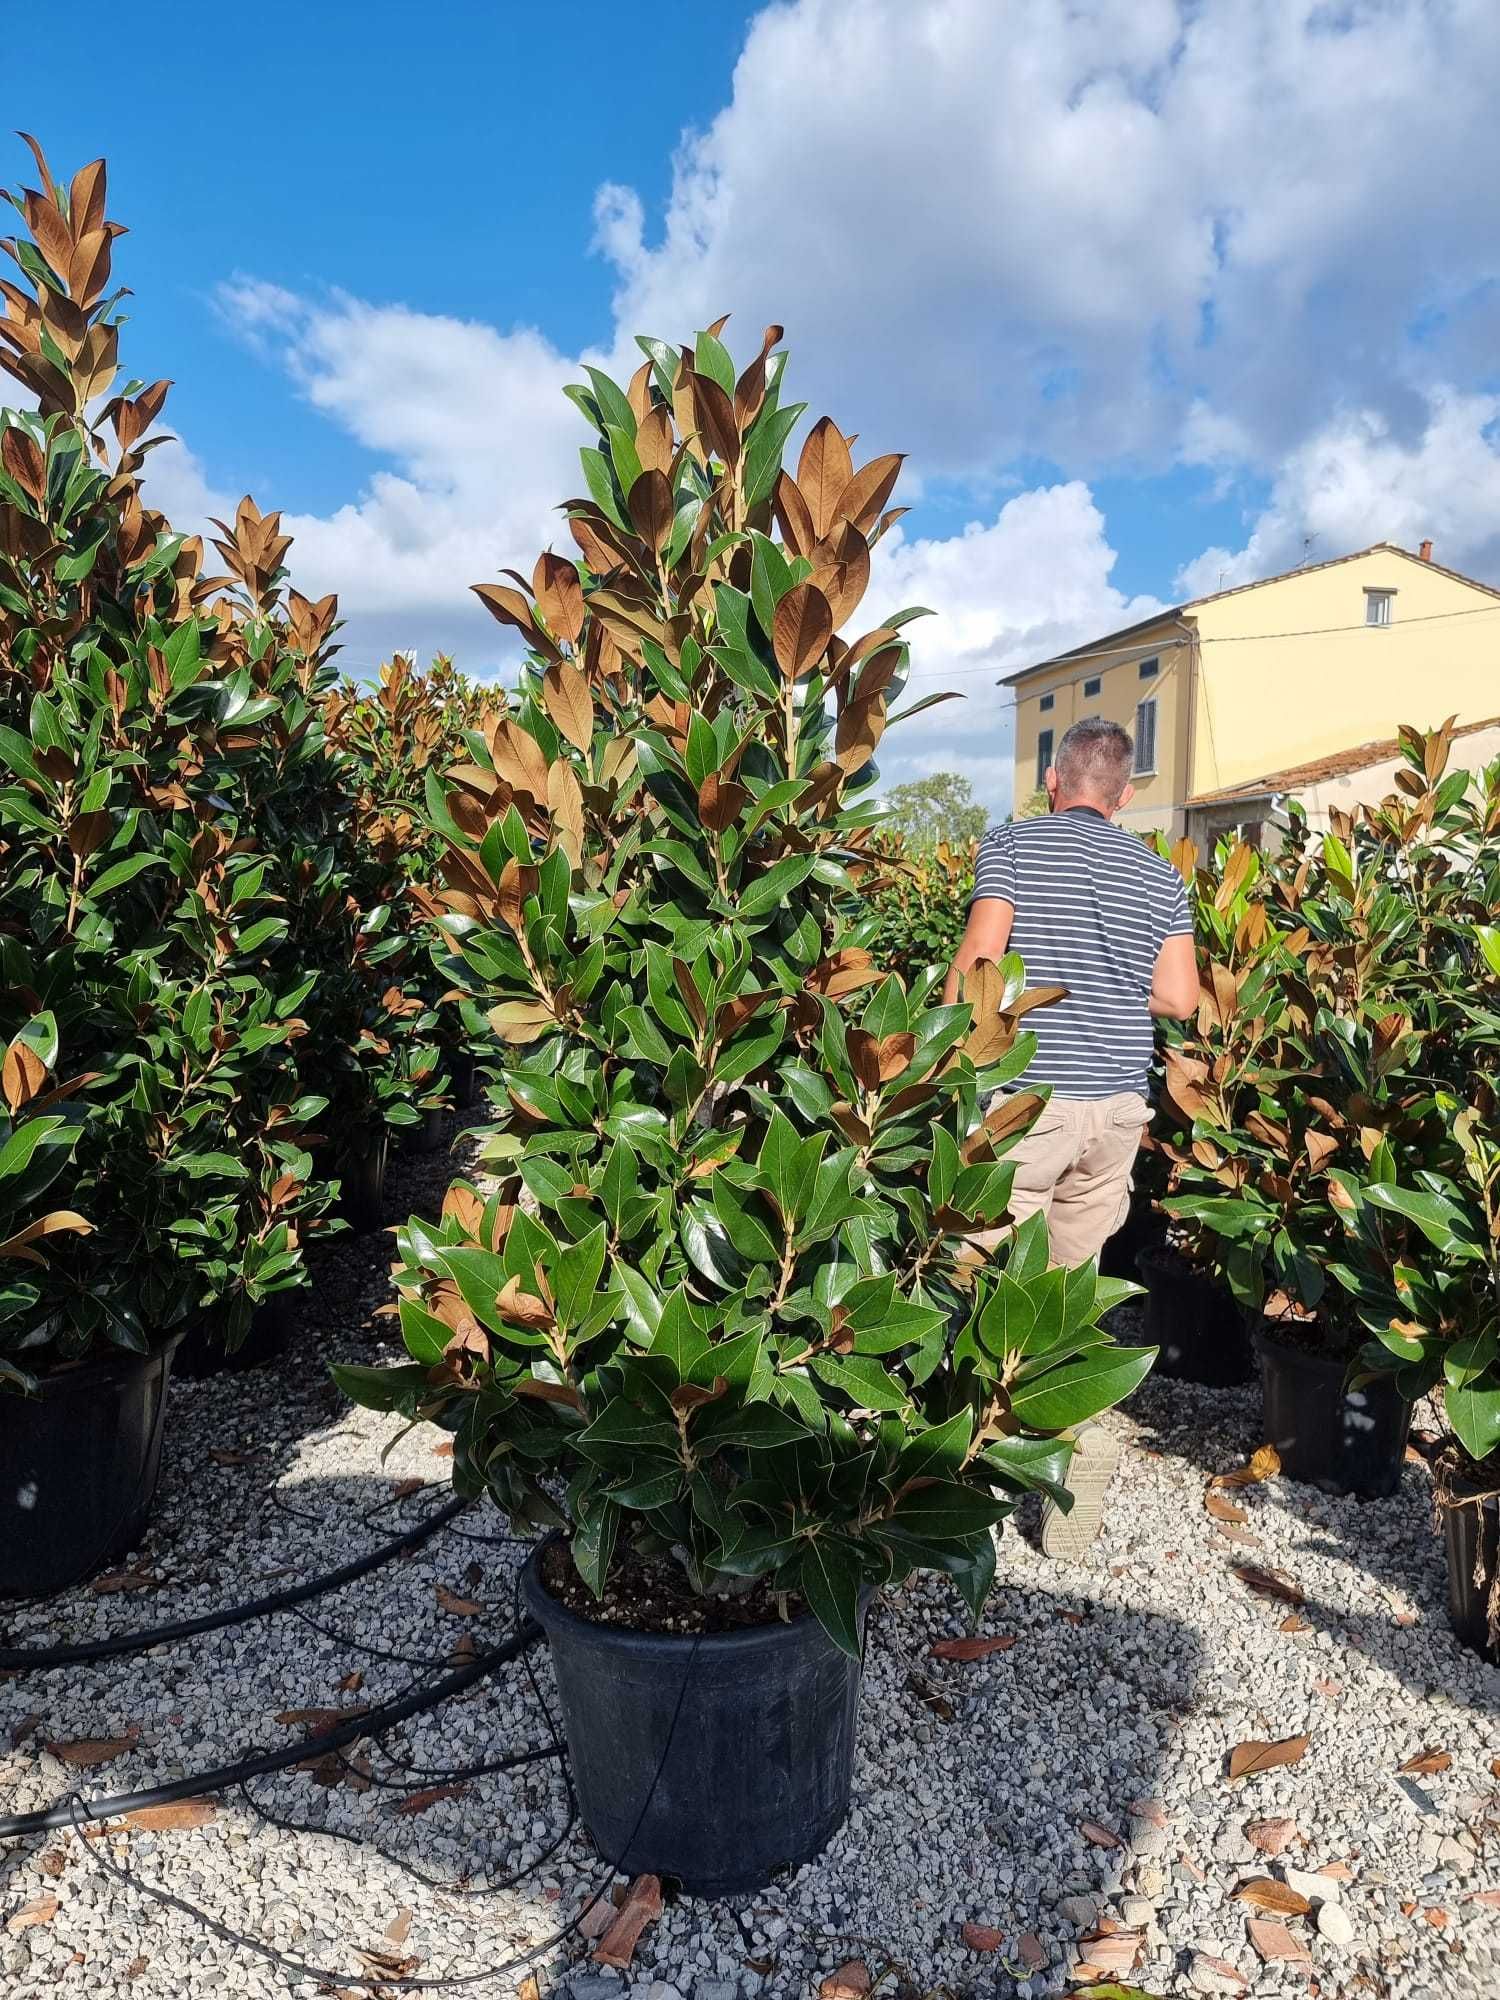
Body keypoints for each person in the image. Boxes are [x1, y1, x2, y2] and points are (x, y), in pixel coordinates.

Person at [943, 716, 1198, 1559]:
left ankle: (953, 1474)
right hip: (1116, 1108)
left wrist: (941, 1056)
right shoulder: (1161, 877)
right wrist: (1113, 978)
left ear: (1055, 781)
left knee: (975, 1272)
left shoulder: (1013, 844)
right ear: (1124, 797)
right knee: (1070, 1289)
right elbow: (1179, 999)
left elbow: (982, 958)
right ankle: (1062, 1466)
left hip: (1030, 1100)